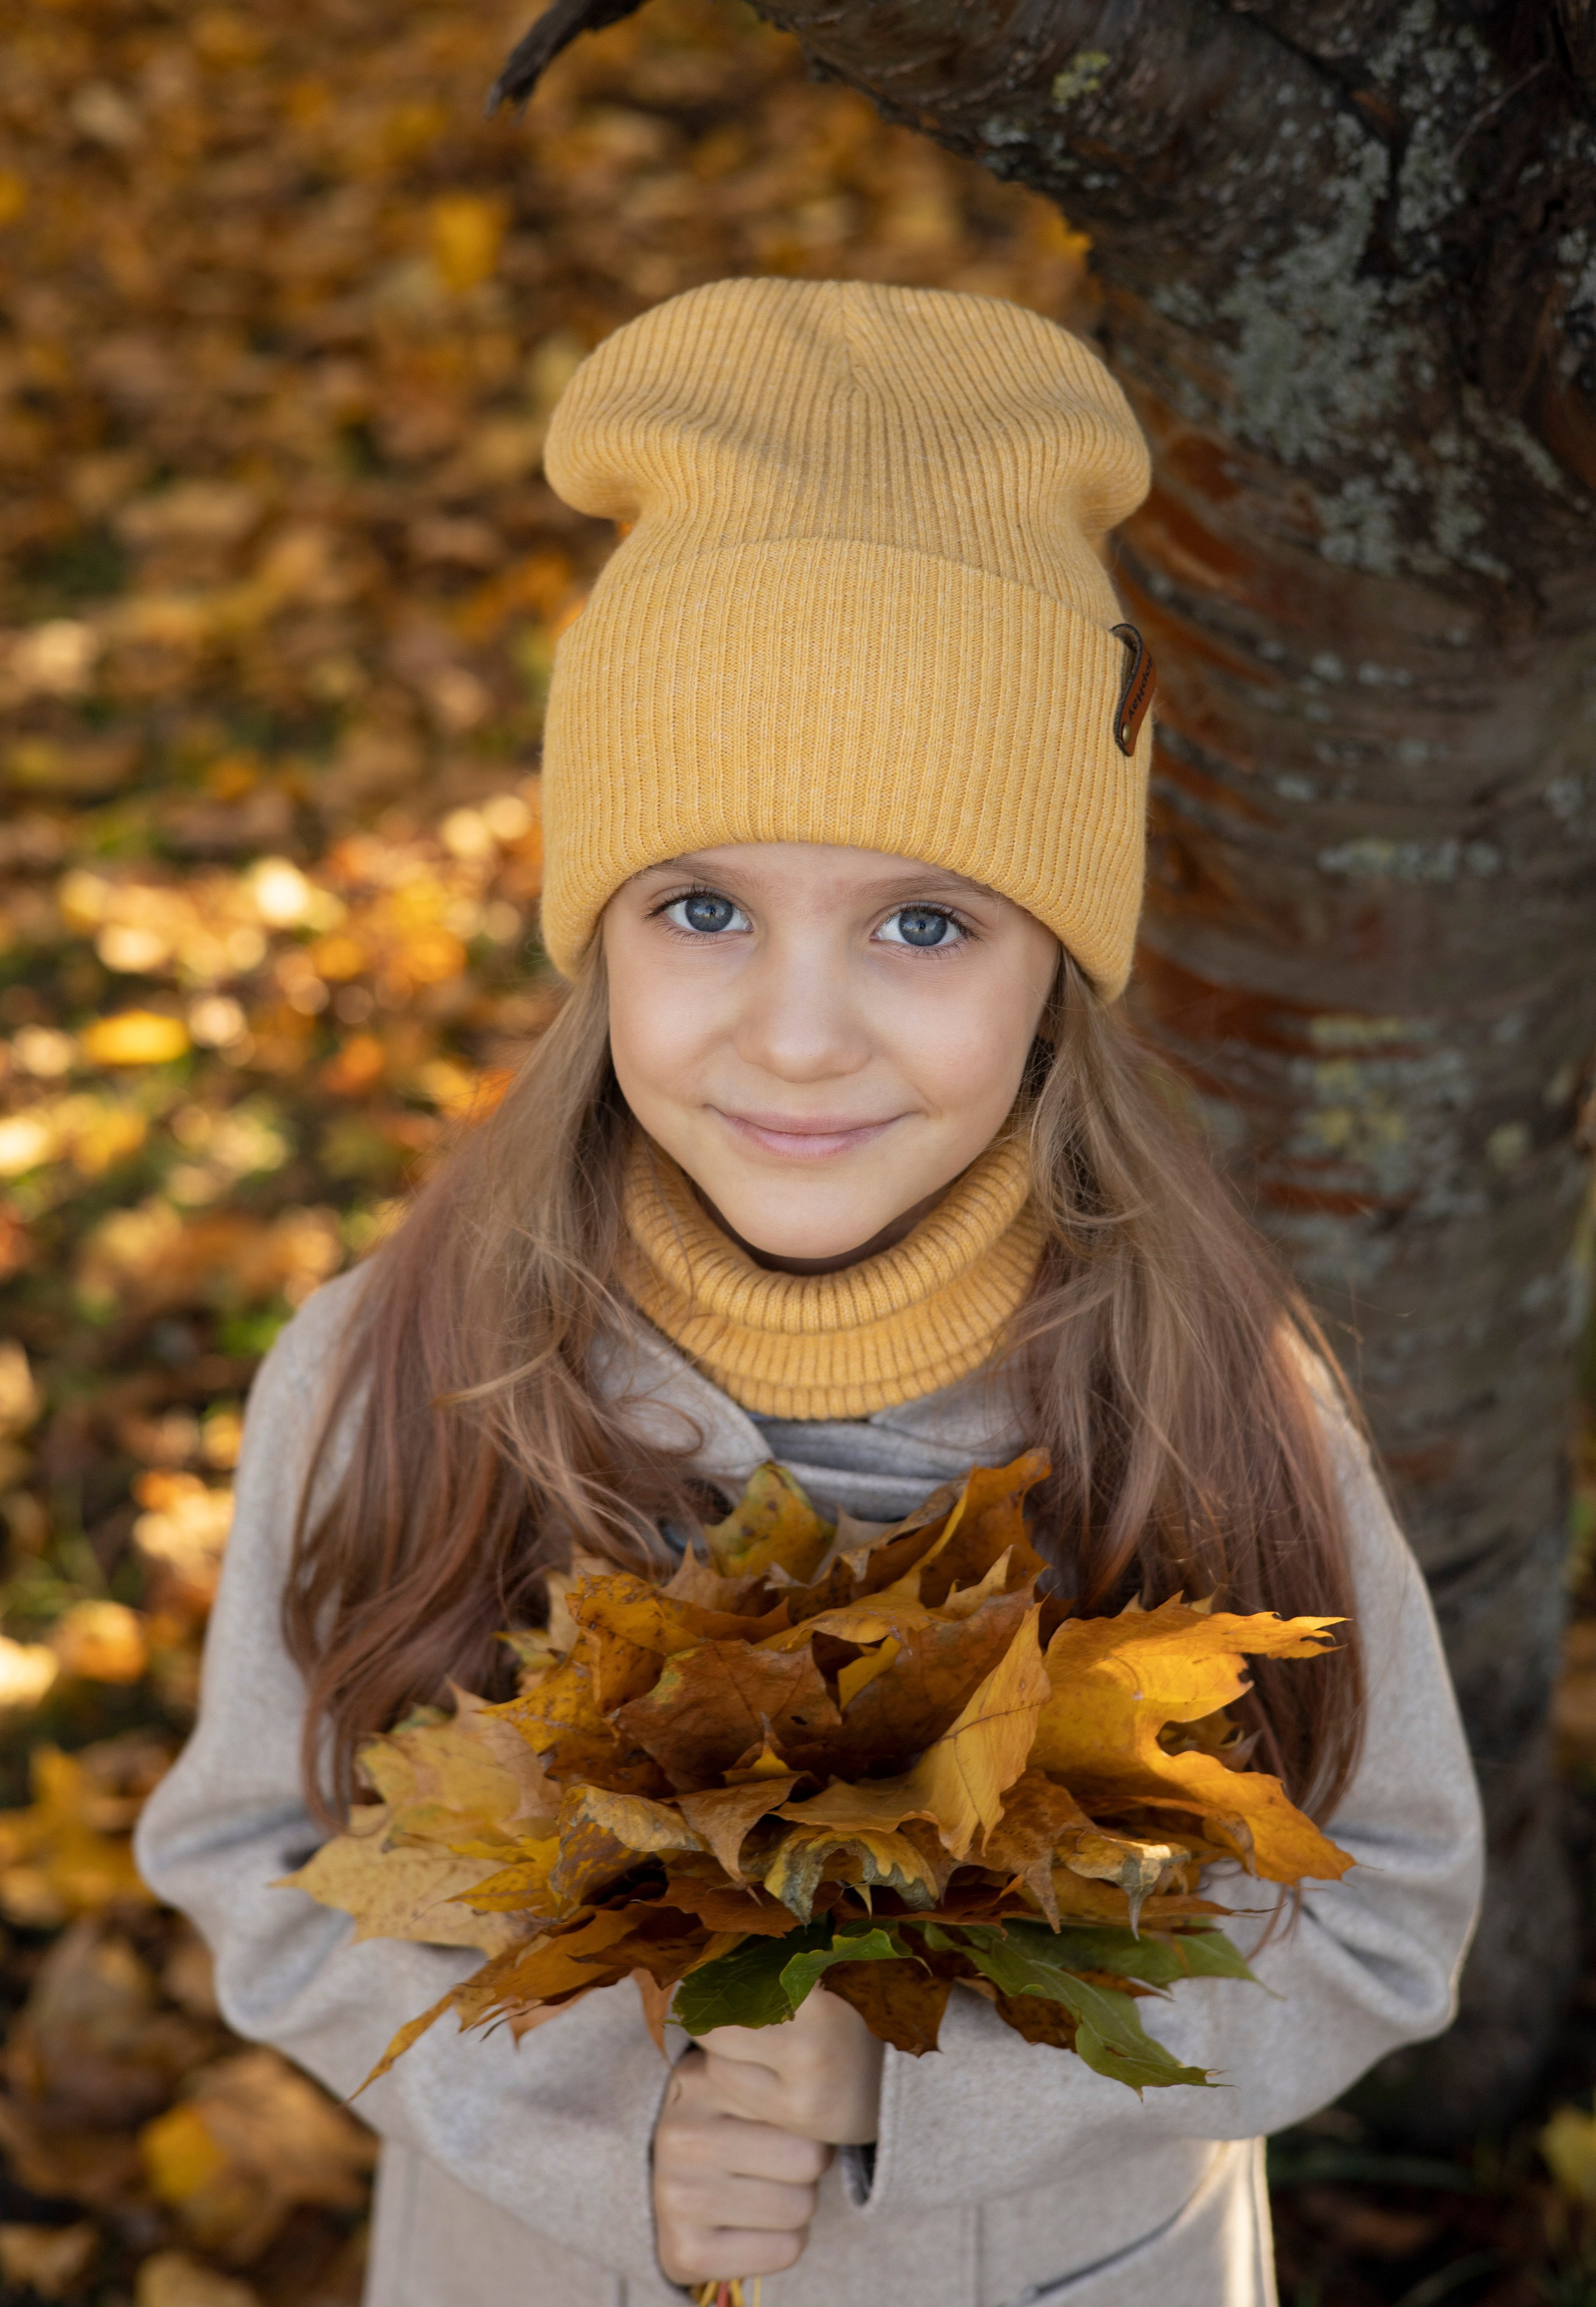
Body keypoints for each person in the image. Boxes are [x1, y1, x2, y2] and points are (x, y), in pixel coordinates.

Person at [137, 278, 1483, 2307]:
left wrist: (915, 2087)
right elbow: (255, 1856)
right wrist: (609, 2118)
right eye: (705, 907)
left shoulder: (1204, 1394)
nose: (795, 1038)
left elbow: (1386, 1911)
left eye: (924, 922)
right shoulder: (403, 1372)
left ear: (1063, 958)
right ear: (597, 932)